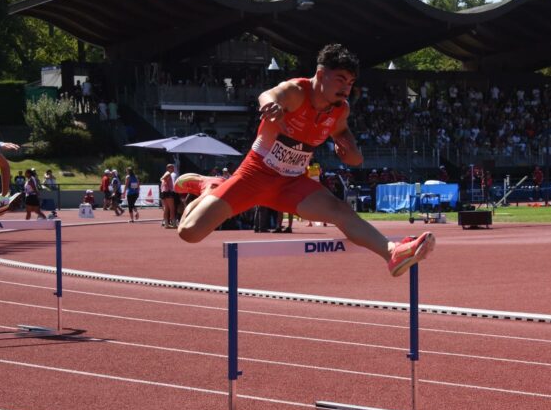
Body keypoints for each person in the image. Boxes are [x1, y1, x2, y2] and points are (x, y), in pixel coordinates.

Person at [176, 44, 433, 277]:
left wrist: (351, 152)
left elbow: (349, 144)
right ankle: (209, 186)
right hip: (254, 176)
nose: (346, 88)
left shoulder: (340, 109)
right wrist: (270, 106)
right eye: (340, 79)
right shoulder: (296, 91)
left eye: (351, 82)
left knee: (341, 210)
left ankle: (392, 253)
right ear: (320, 75)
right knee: (189, 233)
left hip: (291, 184)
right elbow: (269, 94)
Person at [160, 163, 179, 228]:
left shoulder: (167, 173)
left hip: (164, 192)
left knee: (166, 208)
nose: (173, 169)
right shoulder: (168, 173)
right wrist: (166, 183)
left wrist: (164, 182)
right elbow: (162, 178)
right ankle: (173, 224)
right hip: (168, 192)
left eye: (173, 167)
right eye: (172, 167)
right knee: (172, 208)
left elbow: (162, 179)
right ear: (168, 168)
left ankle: (166, 224)